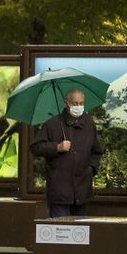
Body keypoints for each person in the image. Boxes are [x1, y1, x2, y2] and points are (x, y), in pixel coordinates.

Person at [30, 90, 102, 218]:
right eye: (75, 103)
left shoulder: (89, 124)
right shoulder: (52, 124)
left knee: (80, 235)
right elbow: (36, 147)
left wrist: (90, 169)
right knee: (60, 234)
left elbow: (96, 151)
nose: (78, 106)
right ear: (66, 103)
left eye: (81, 103)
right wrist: (56, 147)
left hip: (82, 191)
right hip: (59, 192)